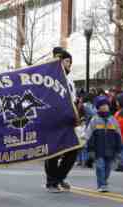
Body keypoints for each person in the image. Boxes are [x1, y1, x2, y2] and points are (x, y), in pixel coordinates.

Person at [44, 47, 80, 193]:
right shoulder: (49, 78)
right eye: (66, 61)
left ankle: (59, 177)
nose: (69, 64)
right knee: (53, 152)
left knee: (74, 149)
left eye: (70, 61)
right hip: (53, 120)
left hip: (68, 120)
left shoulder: (70, 81)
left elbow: (73, 100)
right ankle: (51, 182)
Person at [86, 96, 122, 192]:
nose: (105, 107)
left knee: (108, 167)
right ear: (98, 107)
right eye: (102, 105)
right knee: (100, 166)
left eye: (106, 105)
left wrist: (119, 147)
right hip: (98, 149)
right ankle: (101, 184)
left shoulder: (113, 120)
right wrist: (90, 148)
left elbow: (118, 134)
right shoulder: (94, 120)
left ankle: (105, 181)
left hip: (111, 148)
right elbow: (89, 134)